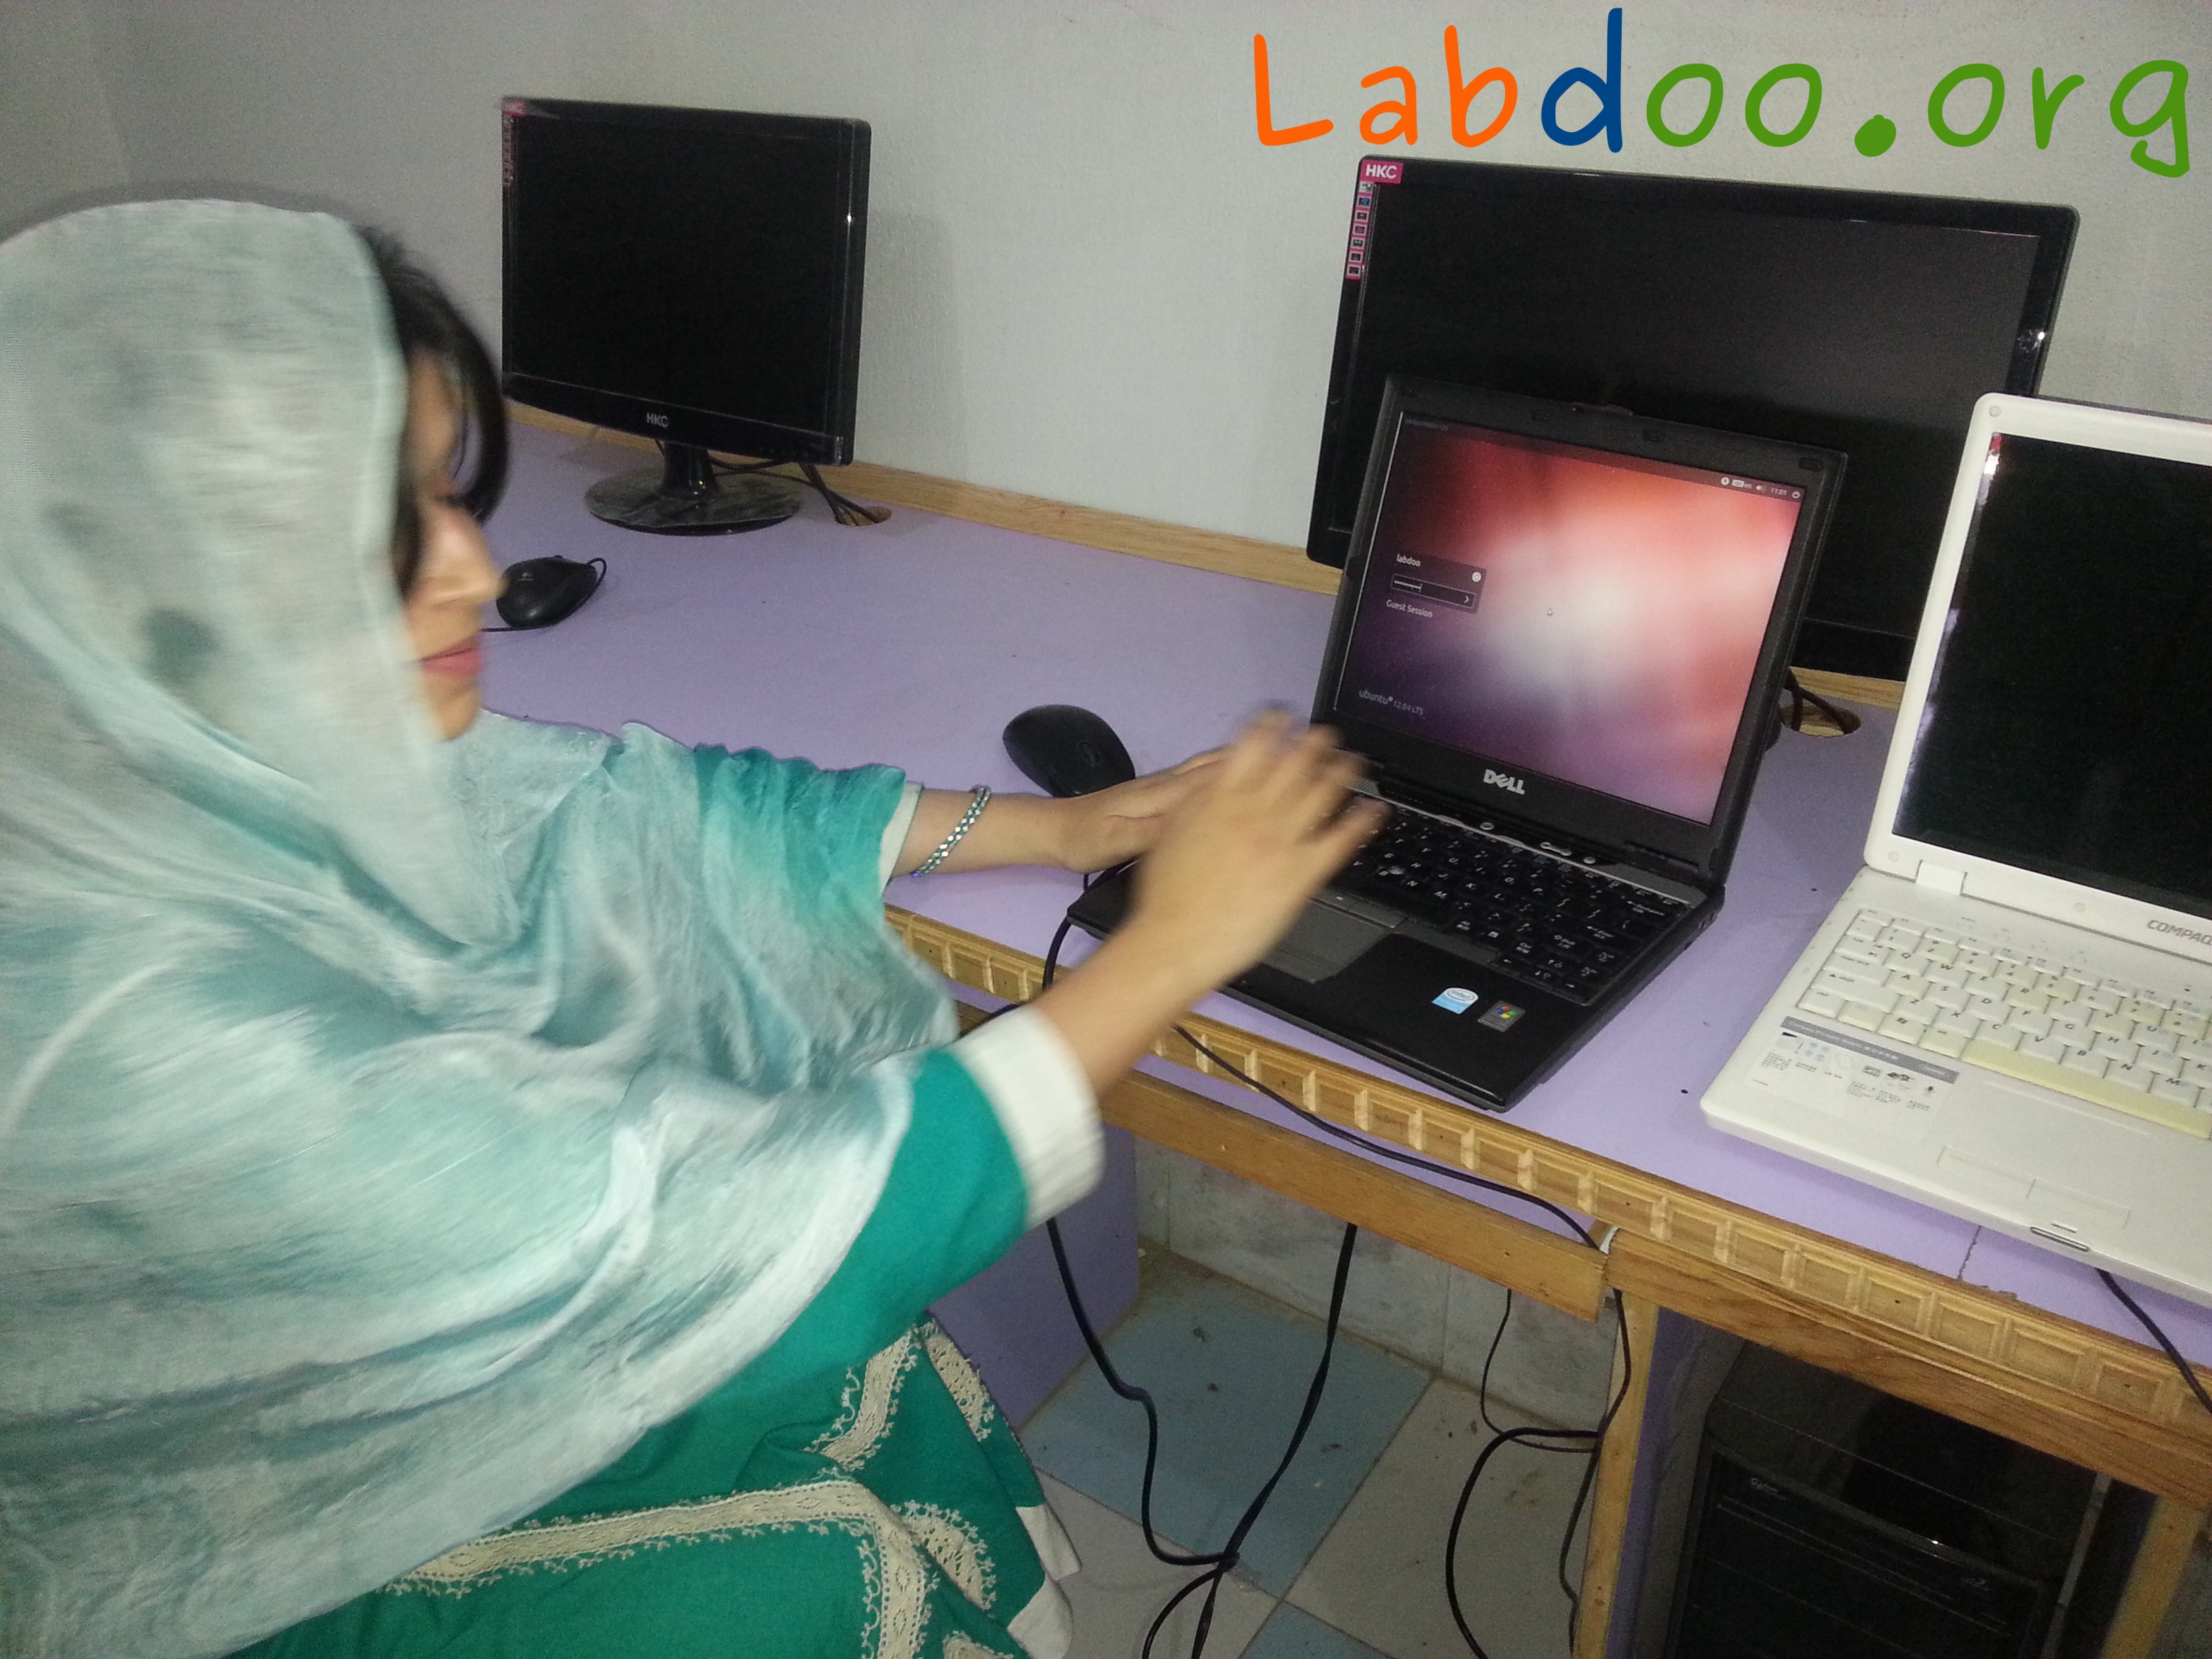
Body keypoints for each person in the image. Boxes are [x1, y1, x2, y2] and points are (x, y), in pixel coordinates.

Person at [0, 199, 1382, 1659]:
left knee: (851, 1377)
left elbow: (624, 812)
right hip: (229, 1558)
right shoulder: (143, 1034)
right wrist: (1171, 954)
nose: (473, 569)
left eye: (446, 496)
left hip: (344, 1383)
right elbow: (767, 1245)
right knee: (792, 1548)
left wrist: (1059, 829)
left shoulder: (171, 758)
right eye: (381, 533)